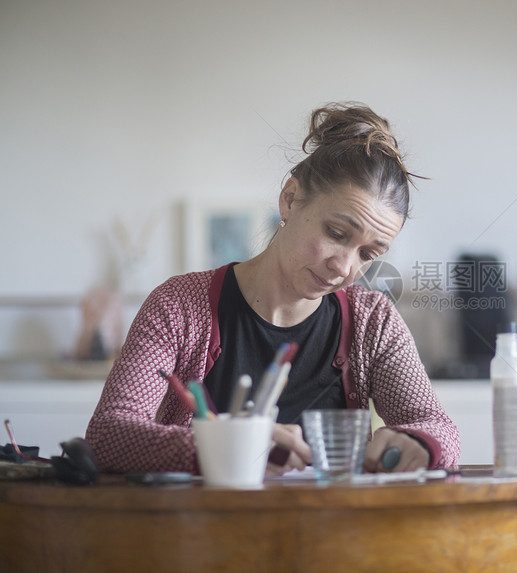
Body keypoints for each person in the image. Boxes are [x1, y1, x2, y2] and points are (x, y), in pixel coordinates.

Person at [86, 102, 460, 475]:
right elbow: (109, 434)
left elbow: (436, 426)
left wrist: (420, 444)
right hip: (201, 531)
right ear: (290, 199)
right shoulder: (179, 307)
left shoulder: (373, 321)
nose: (345, 267)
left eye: (368, 253)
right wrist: (229, 448)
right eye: (335, 233)